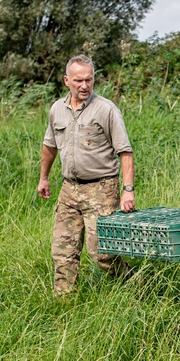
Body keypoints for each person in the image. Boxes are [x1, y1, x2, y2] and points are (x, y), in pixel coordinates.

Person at [38, 54, 135, 295]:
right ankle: (63, 303)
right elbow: (49, 146)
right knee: (63, 252)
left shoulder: (106, 109)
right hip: (69, 189)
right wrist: (44, 177)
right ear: (66, 81)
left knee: (102, 253)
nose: (84, 86)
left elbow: (125, 152)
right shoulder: (56, 110)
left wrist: (128, 190)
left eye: (89, 80)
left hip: (101, 189)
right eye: (78, 80)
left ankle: (138, 284)